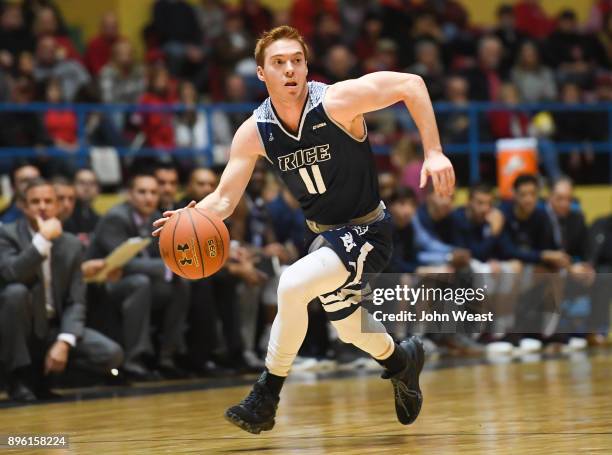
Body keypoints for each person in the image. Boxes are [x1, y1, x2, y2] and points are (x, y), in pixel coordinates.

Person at [153, 26, 454, 434]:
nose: (290, 69)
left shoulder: (337, 101)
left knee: (292, 283)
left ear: (307, 66)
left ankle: (266, 394)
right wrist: (185, 219)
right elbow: (224, 200)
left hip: (368, 229)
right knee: (349, 328)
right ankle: (403, 361)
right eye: (279, 63)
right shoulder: (254, 130)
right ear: (261, 73)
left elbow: (412, 85)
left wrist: (433, 152)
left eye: (297, 60)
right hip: (326, 234)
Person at [0, 179, 123, 402]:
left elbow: (76, 301)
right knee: (15, 292)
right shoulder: (6, 234)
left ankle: (52, 375)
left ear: (58, 206)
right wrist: (42, 240)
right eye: (35, 202)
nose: (43, 207)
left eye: (49, 201)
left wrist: (64, 341)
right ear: (23, 206)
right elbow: (11, 273)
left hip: (53, 328)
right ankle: (17, 378)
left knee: (111, 355)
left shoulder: (71, 244)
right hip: (20, 331)